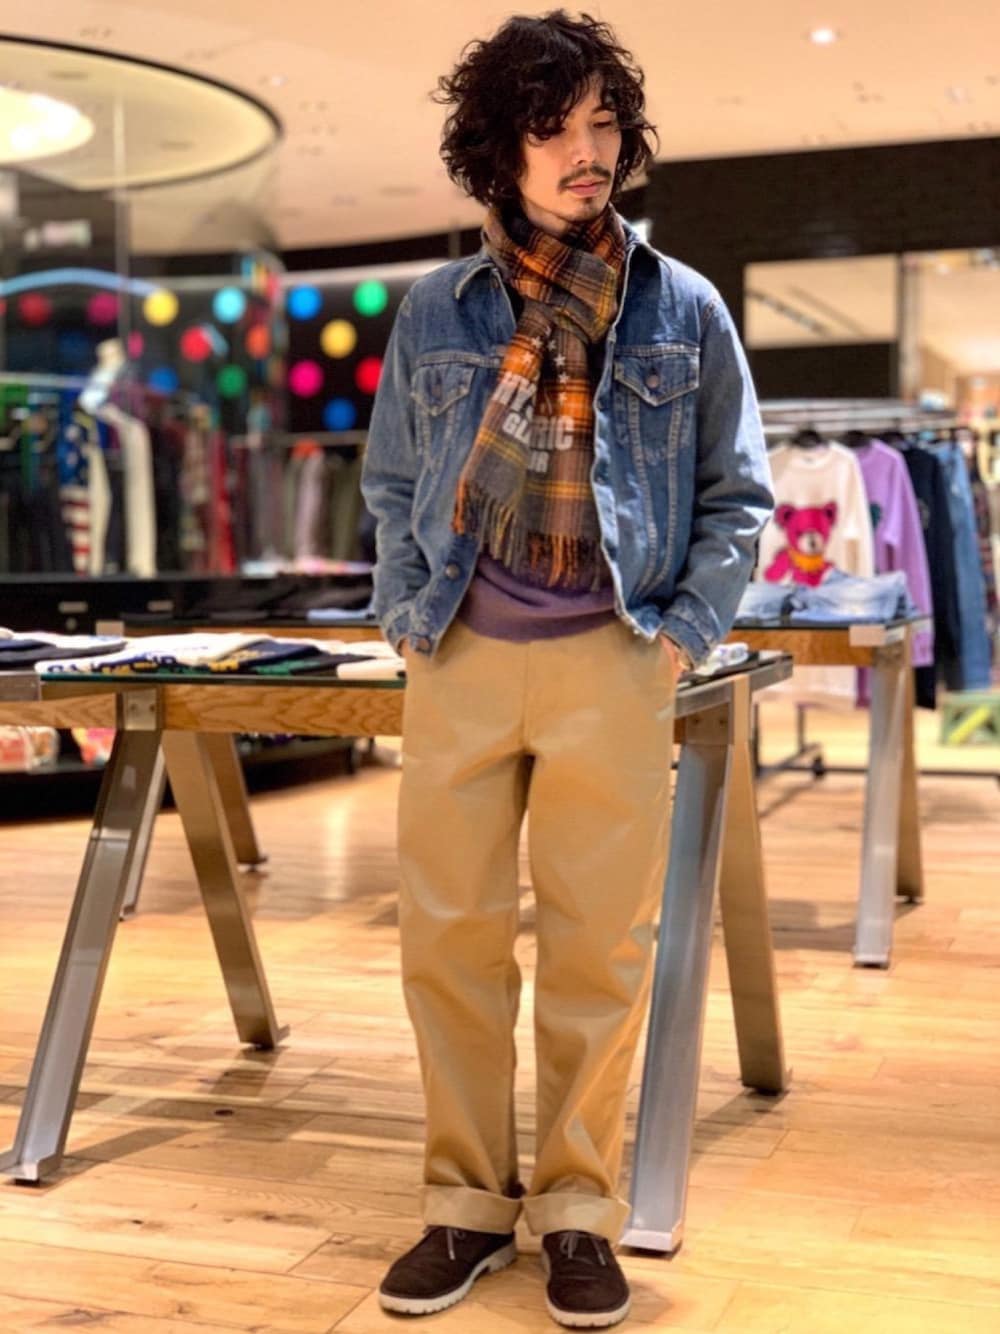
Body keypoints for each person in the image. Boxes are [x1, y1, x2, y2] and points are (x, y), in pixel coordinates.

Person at [361, 10, 773, 1328]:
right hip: (461, 650)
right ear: (501, 148)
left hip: (613, 651)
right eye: (553, 127)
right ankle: (465, 1204)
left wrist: (682, 633)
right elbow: (391, 484)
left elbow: (738, 495)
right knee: (450, 943)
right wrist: (402, 613)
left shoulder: (682, 307)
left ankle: (582, 1208)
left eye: (603, 123)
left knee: (603, 947)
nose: (585, 150)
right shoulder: (437, 310)